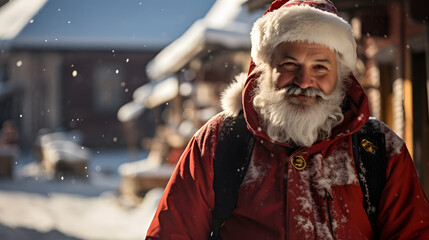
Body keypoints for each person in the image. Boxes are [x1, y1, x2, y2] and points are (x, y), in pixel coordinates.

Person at [145, 0, 429, 239]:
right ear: (264, 69)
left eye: (320, 67)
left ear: (341, 76)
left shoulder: (379, 148)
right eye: (290, 64)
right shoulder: (220, 140)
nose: (305, 81)